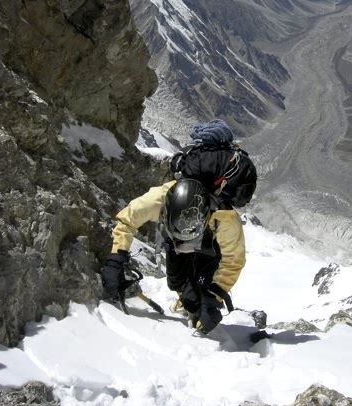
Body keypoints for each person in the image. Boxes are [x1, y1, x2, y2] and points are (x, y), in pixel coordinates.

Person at [102, 119, 257, 334]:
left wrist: (214, 295)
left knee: (199, 293)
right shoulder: (163, 196)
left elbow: (232, 260)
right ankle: (188, 302)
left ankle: (197, 307)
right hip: (177, 245)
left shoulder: (223, 218)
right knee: (176, 282)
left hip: (209, 250)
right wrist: (115, 259)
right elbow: (127, 219)